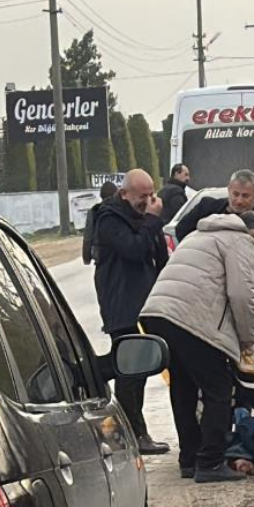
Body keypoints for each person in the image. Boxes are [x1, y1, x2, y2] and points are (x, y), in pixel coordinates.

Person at [140, 210, 254, 483]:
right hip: (189, 317)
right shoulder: (241, 240)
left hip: (156, 312)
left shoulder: (198, 234)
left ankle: (189, 459)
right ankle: (210, 462)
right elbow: (241, 292)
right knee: (218, 389)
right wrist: (248, 339)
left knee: (184, 386)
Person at [93, 169, 170, 455]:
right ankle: (133, 434)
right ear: (125, 194)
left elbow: (157, 257)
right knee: (131, 371)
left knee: (136, 368)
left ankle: (92, 374)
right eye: (142, 196)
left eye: (151, 195)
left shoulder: (143, 219)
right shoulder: (109, 218)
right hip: (122, 305)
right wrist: (151, 220)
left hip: (144, 304)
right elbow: (134, 249)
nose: (148, 201)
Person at [175, 170, 254, 241]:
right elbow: (181, 230)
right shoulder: (206, 208)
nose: (239, 201)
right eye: (235, 194)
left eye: (245, 196)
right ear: (229, 190)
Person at [81, 181, 119, 265]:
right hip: (118, 257)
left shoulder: (94, 211)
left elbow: (88, 237)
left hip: (100, 257)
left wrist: (86, 258)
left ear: (101, 195)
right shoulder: (120, 209)